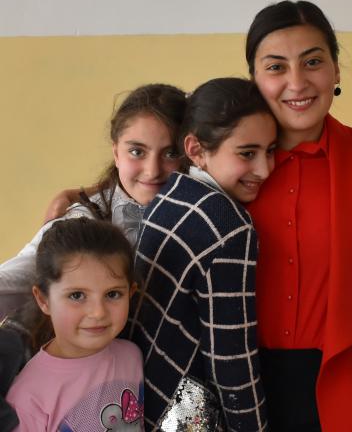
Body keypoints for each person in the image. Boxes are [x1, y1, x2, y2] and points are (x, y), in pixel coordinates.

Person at [245, 0, 352, 431]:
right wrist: (84, 202)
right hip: (244, 386)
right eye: (275, 67)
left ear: (336, 70)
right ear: (254, 78)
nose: (296, 82)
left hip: (342, 385)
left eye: (312, 62)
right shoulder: (227, 166)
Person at [126, 77, 275, 431]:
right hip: (185, 414)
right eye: (247, 153)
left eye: (271, 150)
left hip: (138, 396)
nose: (265, 169)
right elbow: (231, 362)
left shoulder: (170, 195)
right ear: (195, 149)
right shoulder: (229, 227)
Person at [0, 83, 186, 318]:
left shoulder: (210, 209)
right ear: (116, 153)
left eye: (170, 153)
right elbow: (20, 277)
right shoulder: (85, 218)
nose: (152, 171)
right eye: (137, 152)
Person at [6, 218, 143, 431]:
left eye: (113, 294)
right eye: (77, 295)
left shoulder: (132, 355)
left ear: (130, 293)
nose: (98, 312)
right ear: (43, 300)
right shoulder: (29, 397)